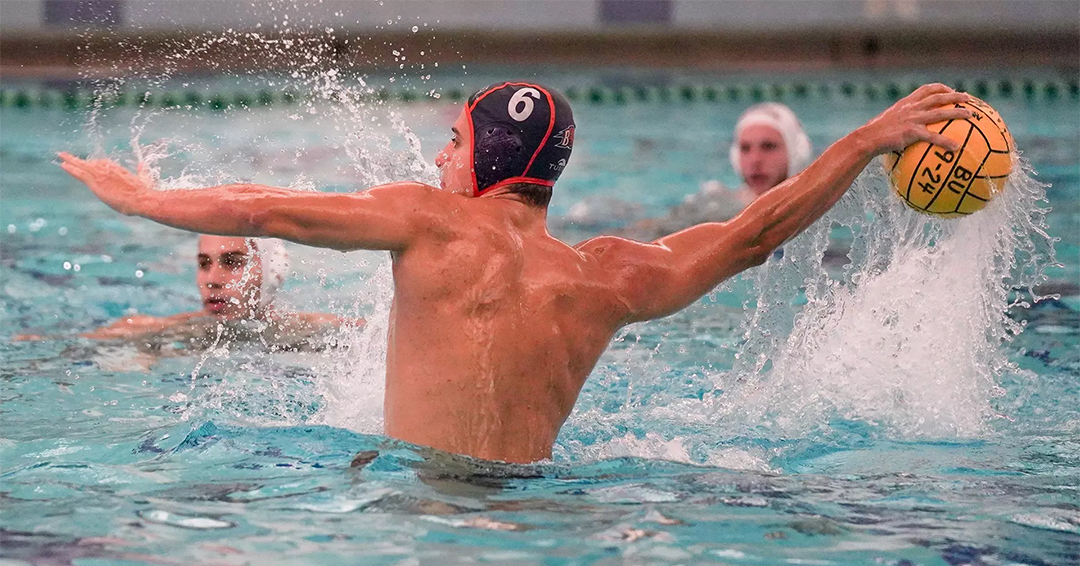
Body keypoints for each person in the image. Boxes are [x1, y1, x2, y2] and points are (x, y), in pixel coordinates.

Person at [59, 81, 971, 463]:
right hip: (541, 514)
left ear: (481, 158)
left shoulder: (426, 222)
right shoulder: (607, 277)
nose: (440, 153)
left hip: (419, 509)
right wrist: (864, 140)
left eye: (453, 139)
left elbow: (265, 208)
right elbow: (750, 234)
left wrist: (139, 197)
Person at [620, 102, 812, 240]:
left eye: (768, 146)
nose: (755, 160)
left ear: (796, 153)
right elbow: (652, 231)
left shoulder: (817, 208)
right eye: (745, 149)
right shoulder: (717, 203)